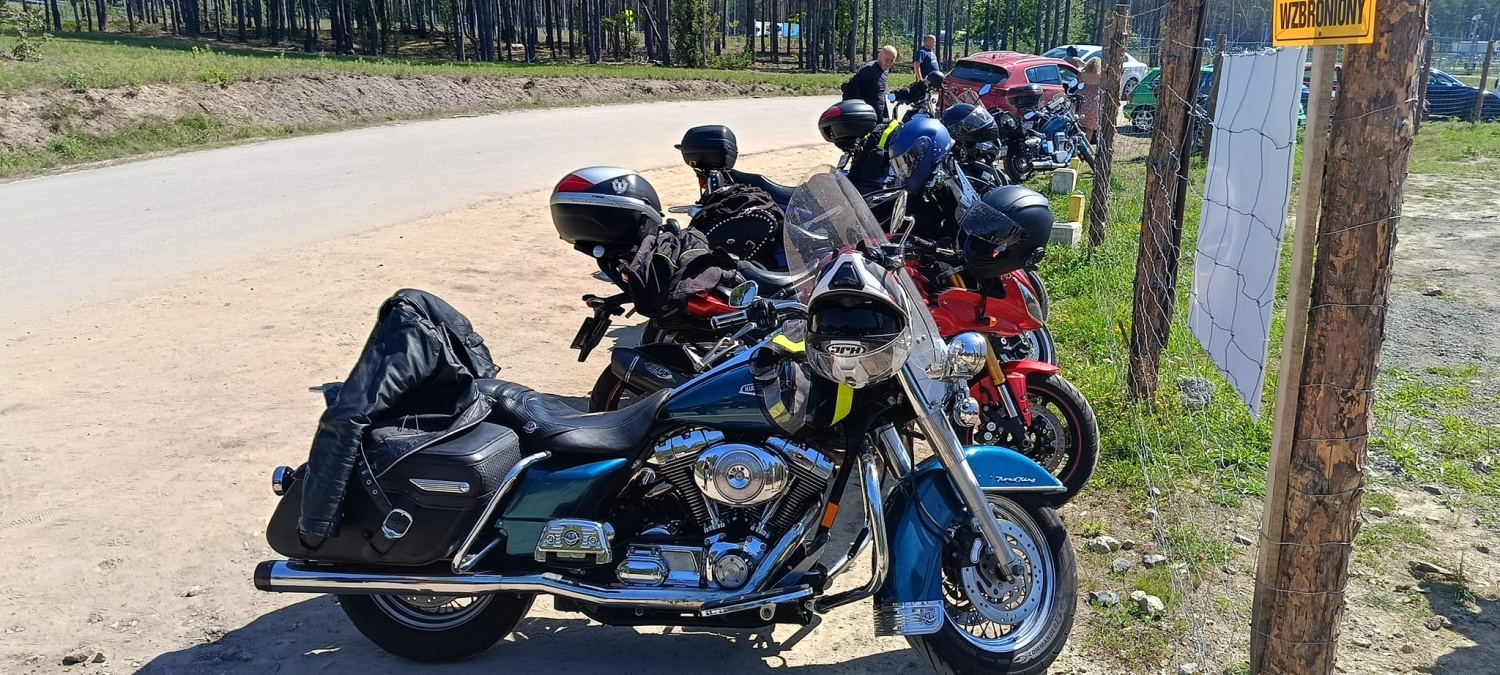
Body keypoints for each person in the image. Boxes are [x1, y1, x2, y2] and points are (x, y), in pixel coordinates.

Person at [843, 45, 899, 121]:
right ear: (880, 55)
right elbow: (877, 102)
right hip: (858, 113)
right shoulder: (872, 72)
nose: (888, 63)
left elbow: (880, 97)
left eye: (891, 61)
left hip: (864, 109)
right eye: (887, 59)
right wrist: (880, 122)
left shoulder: (881, 68)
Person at [1078, 57, 1103, 140]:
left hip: (1083, 101)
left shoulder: (1082, 74)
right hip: (1095, 101)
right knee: (1090, 127)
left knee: (1079, 124)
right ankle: (1087, 142)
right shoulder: (1100, 76)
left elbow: (1078, 83)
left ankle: (1079, 141)